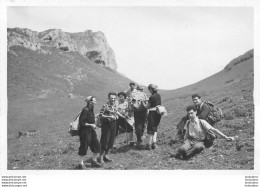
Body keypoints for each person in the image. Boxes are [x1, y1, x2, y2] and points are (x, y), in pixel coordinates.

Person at [78, 96, 102, 169]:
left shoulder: (91, 109)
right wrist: (91, 124)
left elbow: (90, 118)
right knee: (84, 146)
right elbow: (82, 122)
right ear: (90, 102)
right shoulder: (85, 110)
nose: (95, 102)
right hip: (84, 131)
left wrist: (97, 115)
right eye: (94, 101)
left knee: (97, 145)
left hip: (91, 130)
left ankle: (94, 161)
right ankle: (80, 164)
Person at [99, 92, 118, 164]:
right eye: (111, 98)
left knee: (111, 140)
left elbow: (115, 113)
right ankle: (101, 156)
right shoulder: (105, 105)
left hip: (113, 124)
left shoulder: (115, 105)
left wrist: (116, 116)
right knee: (104, 140)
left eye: (114, 98)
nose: (113, 99)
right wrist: (109, 117)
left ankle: (106, 156)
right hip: (106, 125)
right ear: (108, 98)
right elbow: (101, 115)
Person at [142, 84, 162, 150]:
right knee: (155, 128)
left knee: (150, 129)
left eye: (149, 89)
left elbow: (147, 107)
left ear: (151, 89)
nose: (149, 91)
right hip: (158, 113)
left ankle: (149, 145)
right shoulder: (158, 95)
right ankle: (154, 143)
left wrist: (143, 103)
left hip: (152, 113)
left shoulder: (152, 97)